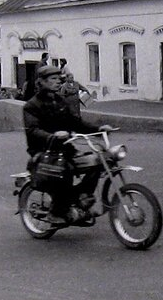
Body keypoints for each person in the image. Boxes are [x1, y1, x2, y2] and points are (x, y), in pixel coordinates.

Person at [22, 65, 112, 223]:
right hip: (43, 150)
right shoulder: (32, 105)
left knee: (98, 161)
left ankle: (81, 196)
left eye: (59, 79)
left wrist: (99, 129)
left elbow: (76, 123)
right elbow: (33, 130)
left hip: (65, 148)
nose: (58, 82)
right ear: (42, 82)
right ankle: (56, 212)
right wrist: (52, 136)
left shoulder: (60, 101)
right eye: (53, 79)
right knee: (66, 169)